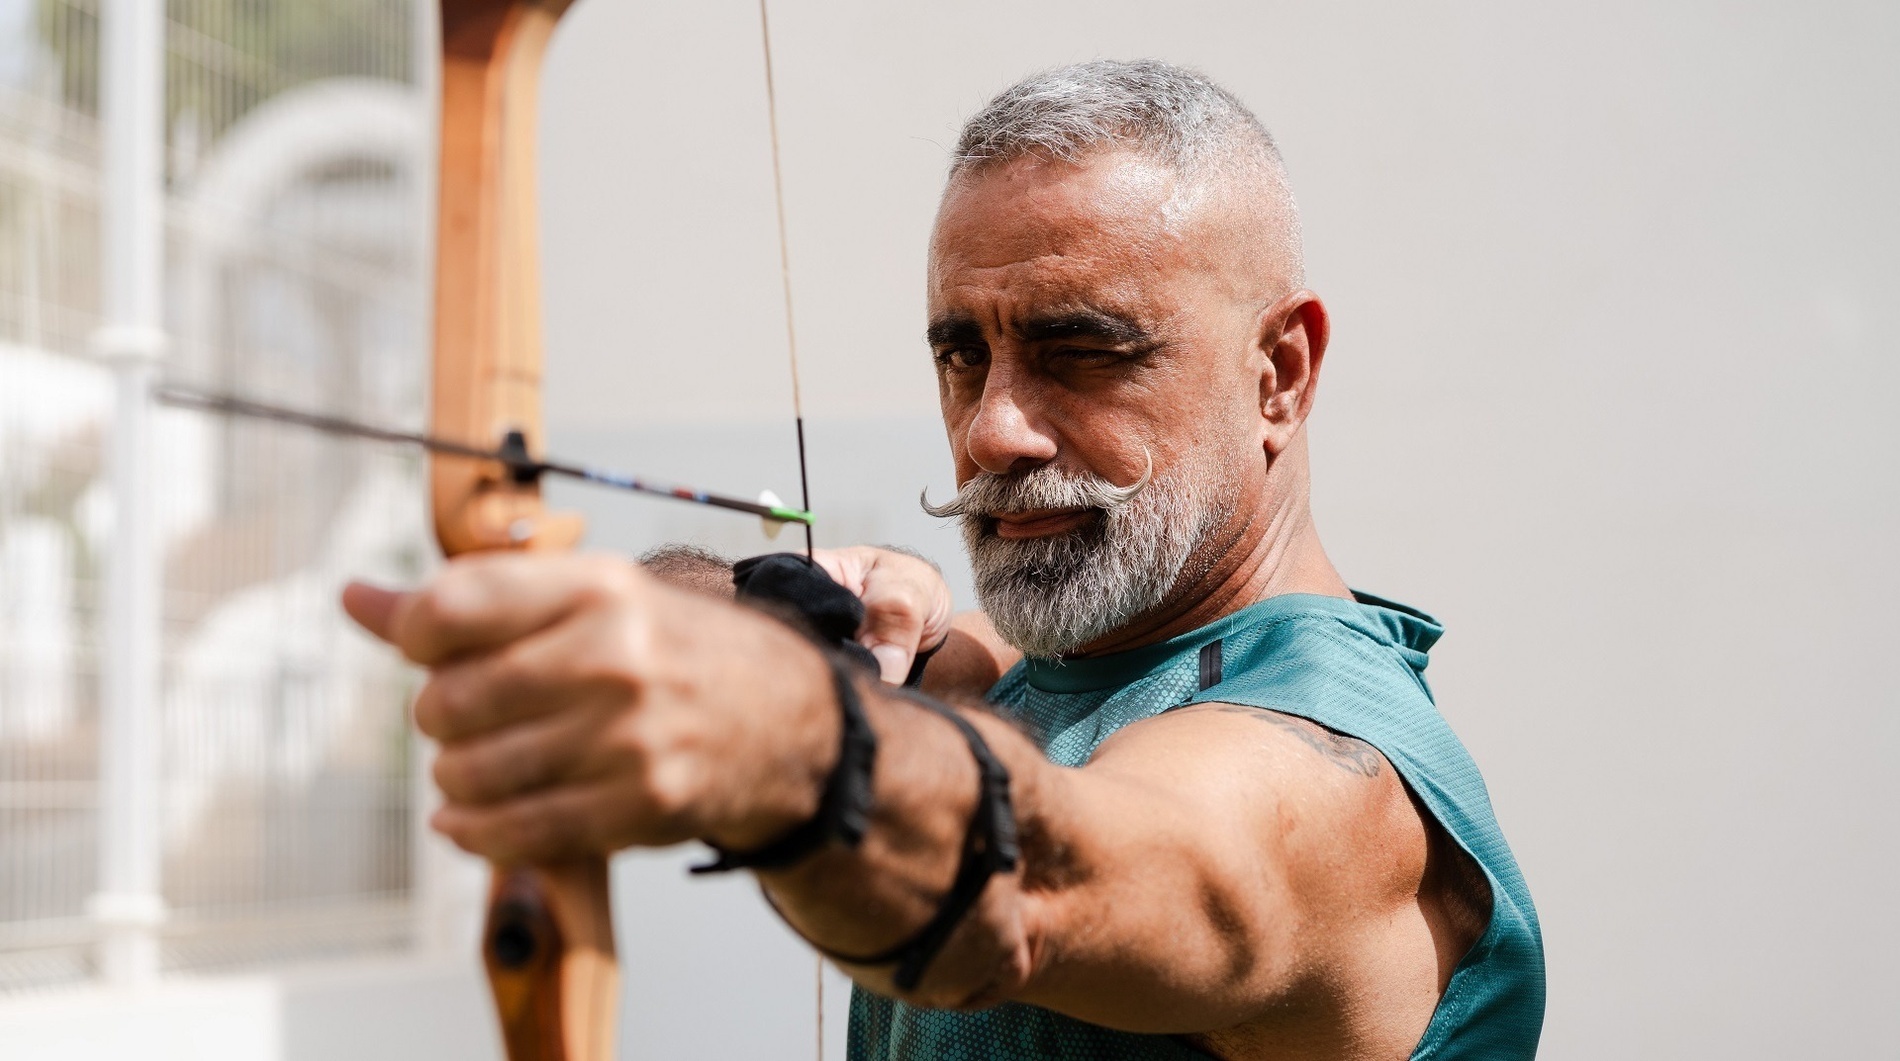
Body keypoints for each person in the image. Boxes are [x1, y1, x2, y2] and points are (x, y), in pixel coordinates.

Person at [345, 59, 1544, 1061]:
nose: (991, 430)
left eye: (1082, 350)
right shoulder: (1050, 655)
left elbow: (1043, 876)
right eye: (962, 354)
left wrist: (788, 733)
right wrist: (765, 614)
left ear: (1277, 373)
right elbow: (946, 685)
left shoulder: (1339, 785)